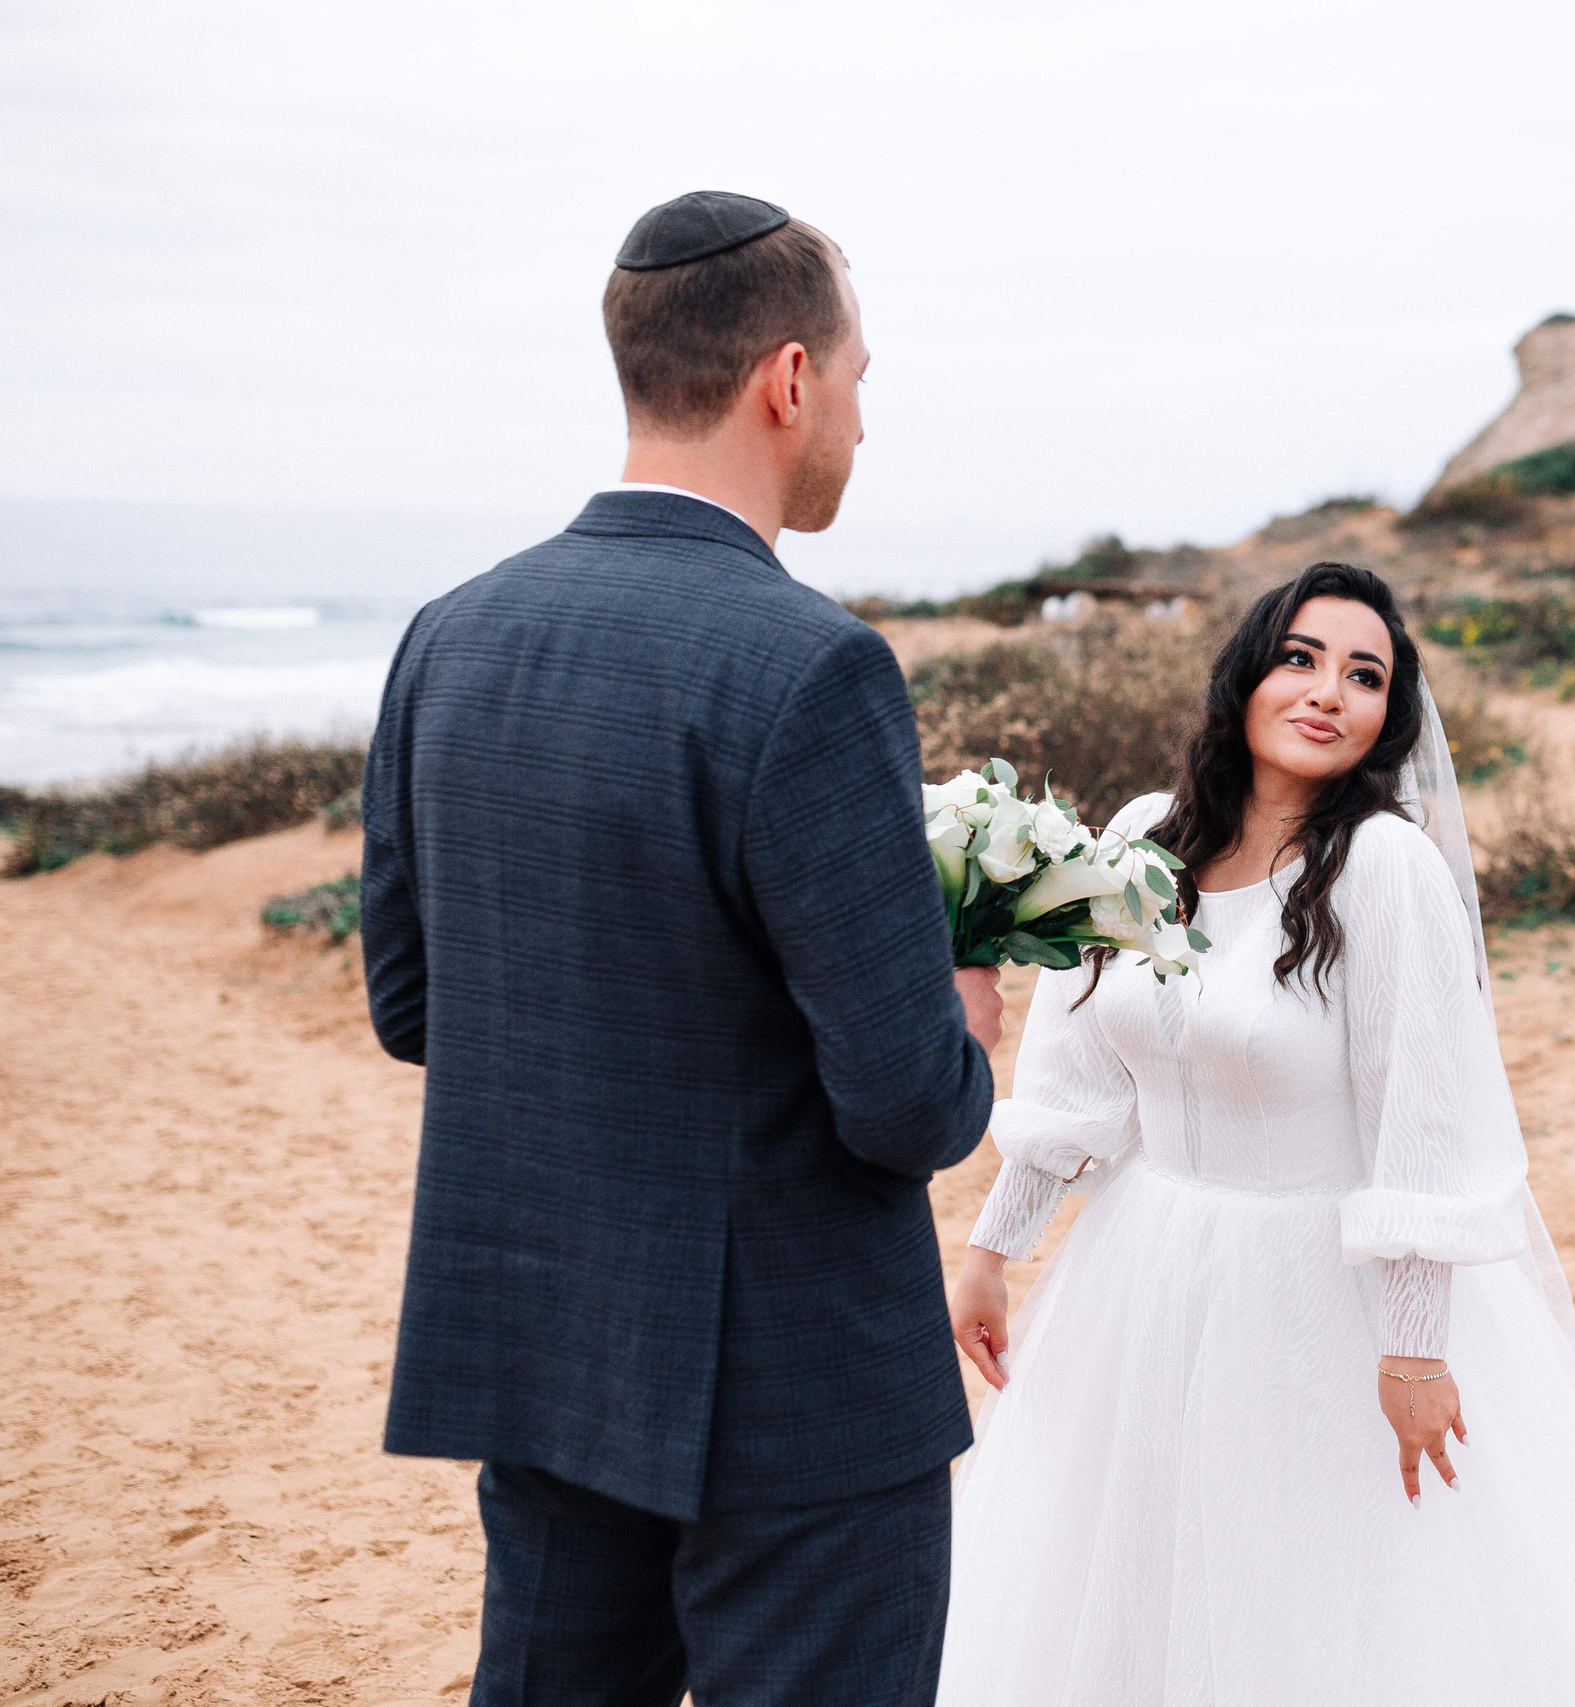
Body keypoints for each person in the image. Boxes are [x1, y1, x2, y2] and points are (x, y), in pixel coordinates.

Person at [361, 190, 1001, 1706]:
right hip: (800, 1395)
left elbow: (408, 1004)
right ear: (788, 379)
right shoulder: (813, 664)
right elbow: (905, 1104)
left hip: (544, 1340)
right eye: (857, 375)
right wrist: (962, 1014)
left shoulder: (448, 634)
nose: (859, 415)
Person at [942, 562, 1575, 1704]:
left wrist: (1412, 1349)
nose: (1326, 692)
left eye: (1364, 677)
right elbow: (1079, 1077)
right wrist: (991, 1251)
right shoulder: (1146, 837)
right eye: (1301, 659)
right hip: (1147, 1271)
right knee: (1128, 1574)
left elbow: (1425, 1123)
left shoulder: (1384, 869)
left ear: (1386, 718)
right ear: (1249, 675)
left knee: (1319, 1595)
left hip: (1318, 1292)